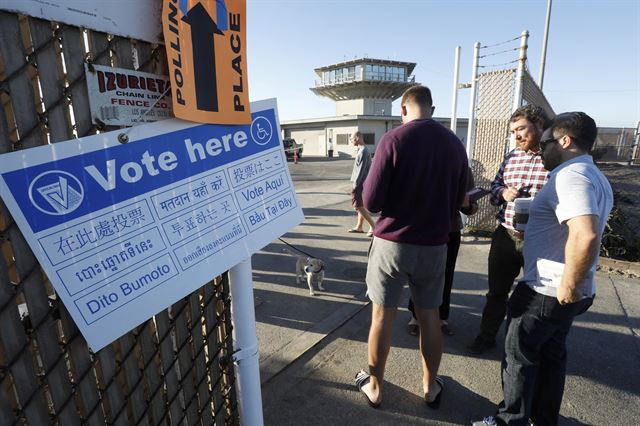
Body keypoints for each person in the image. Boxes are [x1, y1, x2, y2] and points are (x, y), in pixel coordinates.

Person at [473, 112, 613, 426]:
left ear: (565, 141)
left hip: (547, 288)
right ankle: (542, 418)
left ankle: (510, 420)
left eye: (547, 141)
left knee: (518, 356)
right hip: (562, 287)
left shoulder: (570, 176)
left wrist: (570, 283)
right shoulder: (593, 175)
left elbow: (586, 232)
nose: (543, 149)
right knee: (551, 356)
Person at [353, 86, 468, 408]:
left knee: (381, 317)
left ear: (404, 109)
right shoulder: (454, 145)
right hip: (434, 244)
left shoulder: (394, 139)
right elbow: (460, 200)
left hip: (392, 244)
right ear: (432, 108)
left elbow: (372, 201)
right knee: (430, 318)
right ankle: (430, 386)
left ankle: (375, 387)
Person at [467, 105, 550, 355]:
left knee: (538, 296)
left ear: (539, 125)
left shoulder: (554, 158)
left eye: (521, 129)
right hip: (505, 234)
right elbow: (494, 187)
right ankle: (487, 335)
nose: (517, 136)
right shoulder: (512, 156)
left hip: (540, 239)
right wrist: (503, 192)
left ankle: (529, 344)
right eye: (513, 131)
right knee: (496, 292)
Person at [407, 167, 479, 337]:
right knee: (419, 275)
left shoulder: (462, 169)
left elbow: (472, 205)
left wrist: (467, 204)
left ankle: (442, 318)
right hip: (422, 229)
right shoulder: (422, 163)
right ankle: (415, 317)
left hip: (450, 230)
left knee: (446, 276)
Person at [348, 131, 375, 236]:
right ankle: (359, 227)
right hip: (362, 182)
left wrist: (355, 184)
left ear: (357, 138)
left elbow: (361, 170)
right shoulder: (362, 150)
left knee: (358, 206)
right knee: (360, 205)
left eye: (351, 138)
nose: (351, 141)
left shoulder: (363, 151)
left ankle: (374, 226)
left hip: (360, 183)